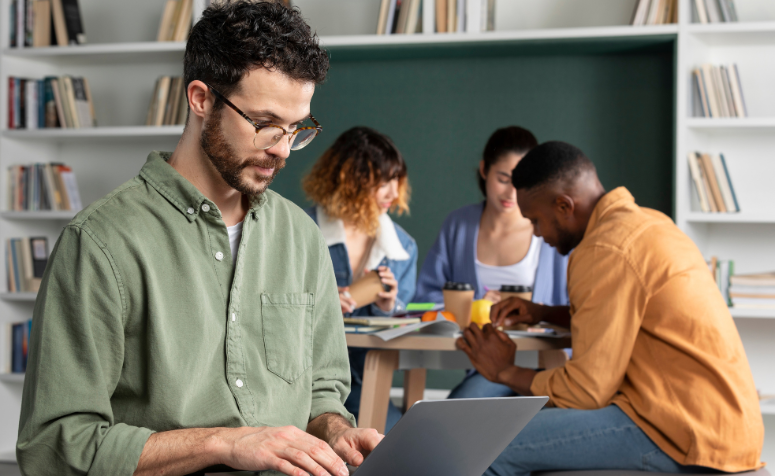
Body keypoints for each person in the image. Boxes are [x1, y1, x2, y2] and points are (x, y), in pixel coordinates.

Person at [16, 3, 382, 476]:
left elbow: (322, 393)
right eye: (266, 124)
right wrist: (223, 444)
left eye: (296, 129)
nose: (283, 150)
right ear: (201, 99)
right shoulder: (99, 244)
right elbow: (54, 446)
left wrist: (336, 431)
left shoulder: (301, 237)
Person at [457, 141, 764, 475]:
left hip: (678, 431)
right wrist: (544, 313)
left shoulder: (604, 249)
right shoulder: (648, 223)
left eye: (536, 220)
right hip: (725, 427)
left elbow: (586, 391)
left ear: (564, 206)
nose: (536, 233)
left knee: (485, 446)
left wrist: (504, 371)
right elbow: (622, 319)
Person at [414, 126, 568, 399]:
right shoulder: (458, 225)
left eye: (521, 181)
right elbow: (422, 302)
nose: (511, 193)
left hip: (549, 367)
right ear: (484, 170)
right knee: (456, 416)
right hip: (484, 368)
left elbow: (574, 309)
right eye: (503, 178)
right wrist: (472, 306)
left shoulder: (552, 231)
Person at [303, 126, 417, 432]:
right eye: (382, 182)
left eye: (396, 180)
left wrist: (388, 306)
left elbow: (404, 329)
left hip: (367, 384)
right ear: (350, 179)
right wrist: (320, 308)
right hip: (303, 382)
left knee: (394, 448)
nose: (393, 193)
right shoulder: (301, 230)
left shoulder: (403, 248)